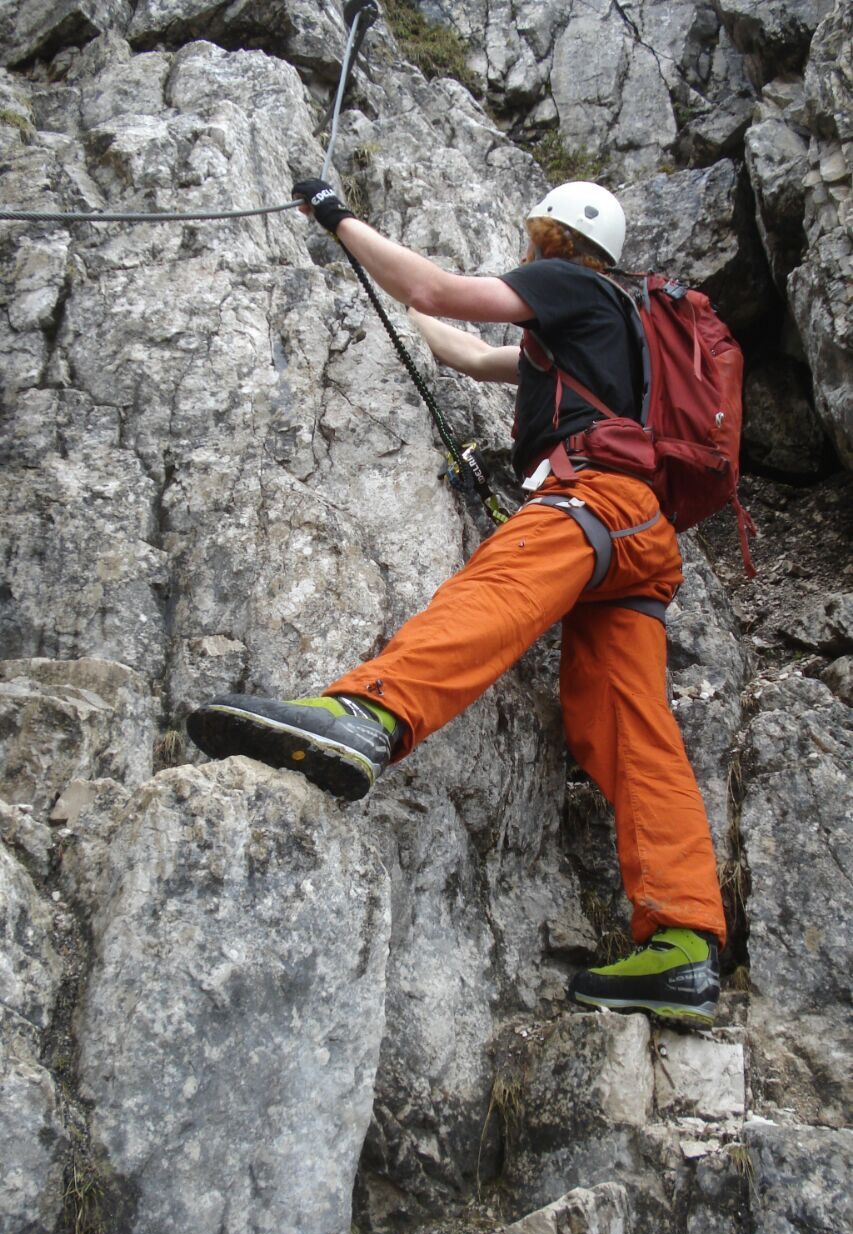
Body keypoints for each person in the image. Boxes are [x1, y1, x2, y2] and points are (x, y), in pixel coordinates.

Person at [187, 177, 726, 1027]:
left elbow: (439, 291)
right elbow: (466, 352)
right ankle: (684, 946)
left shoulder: (571, 282)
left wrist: (338, 219)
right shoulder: (620, 333)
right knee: (630, 731)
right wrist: (394, 297)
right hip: (643, 542)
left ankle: (366, 714)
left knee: (496, 591)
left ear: (552, 236)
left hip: (592, 504)